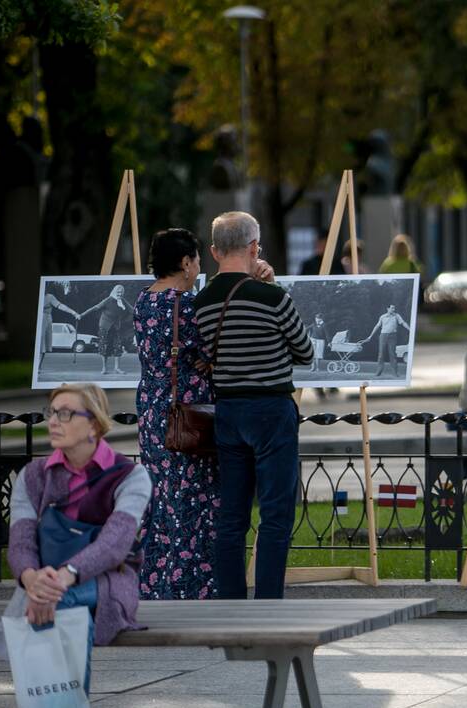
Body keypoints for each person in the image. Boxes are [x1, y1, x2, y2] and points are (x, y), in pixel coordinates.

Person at [0, 384, 152, 695]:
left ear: (94, 424)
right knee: (60, 603)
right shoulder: (33, 475)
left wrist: (64, 578)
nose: (53, 421)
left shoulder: (129, 476)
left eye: (66, 413)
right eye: (52, 412)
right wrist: (31, 579)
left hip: (108, 581)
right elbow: (21, 543)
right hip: (43, 583)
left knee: (60, 601)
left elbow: (114, 544)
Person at [194, 211, 313, 600]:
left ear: (213, 251)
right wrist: (272, 285)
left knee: (232, 517)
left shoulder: (203, 302)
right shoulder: (273, 297)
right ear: (254, 247)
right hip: (271, 411)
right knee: (275, 515)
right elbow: (305, 352)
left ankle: (231, 603)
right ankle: (267, 603)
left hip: (228, 412)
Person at [134, 228, 219, 600]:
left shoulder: (143, 301)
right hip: (186, 415)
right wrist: (205, 362)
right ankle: (190, 587)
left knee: (161, 499)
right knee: (193, 500)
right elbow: (213, 348)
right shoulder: (186, 304)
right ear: (185, 262)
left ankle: (154, 583)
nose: (199, 266)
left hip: (152, 409)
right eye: (197, 259)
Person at [81, 284, 134, 375]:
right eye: (118, 292)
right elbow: (95, 308)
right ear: (114, 291)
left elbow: (133, 310)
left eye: (121, 292)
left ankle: (117, 368)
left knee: (118, 346)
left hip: (116, 327)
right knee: (104, 347)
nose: (119, 294)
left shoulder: (123, 301)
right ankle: (104, 368)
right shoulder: (108, 300)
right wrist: (81, 315)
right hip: (105, 326)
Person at [362, 304, 411, 377]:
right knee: (381, 354)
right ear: (387, 309)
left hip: (392, 336)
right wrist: (370, 336)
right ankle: (378, 372)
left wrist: (410, 329)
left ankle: (395, 372)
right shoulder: (382, 317)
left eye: (394, 308)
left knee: (393, 354)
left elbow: (403, 323)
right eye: (392, 308)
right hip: (383, 336)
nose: (393, 309)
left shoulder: (396, 316)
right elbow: (377, 326)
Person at [40, 292, 81, 364]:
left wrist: (73, 312)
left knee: (42, 344)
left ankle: (38, 366)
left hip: (45, 319)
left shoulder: (49, 297)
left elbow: (60, 306)